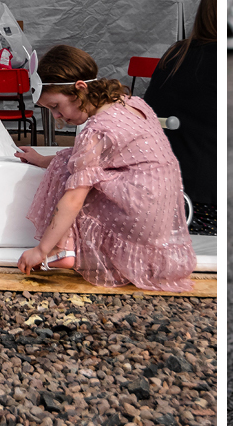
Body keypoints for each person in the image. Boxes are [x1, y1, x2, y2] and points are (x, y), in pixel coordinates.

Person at [14, 44, 196, 292]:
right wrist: (42, 159)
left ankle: (62, 248)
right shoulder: (131, 103)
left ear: (80, 88)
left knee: (71, 178)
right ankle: (63, 245)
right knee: (72, 164)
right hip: (161, 211)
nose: (56, 116)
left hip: (138, 213)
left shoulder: (95, 131)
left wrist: (40, 249)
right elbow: (82, 157)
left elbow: (73, 199)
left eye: (56, 106)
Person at [143, 0, 217, 234]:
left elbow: (150, 114)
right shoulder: (220, 61)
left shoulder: (176, 54)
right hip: (209, 194)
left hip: (168, 186)